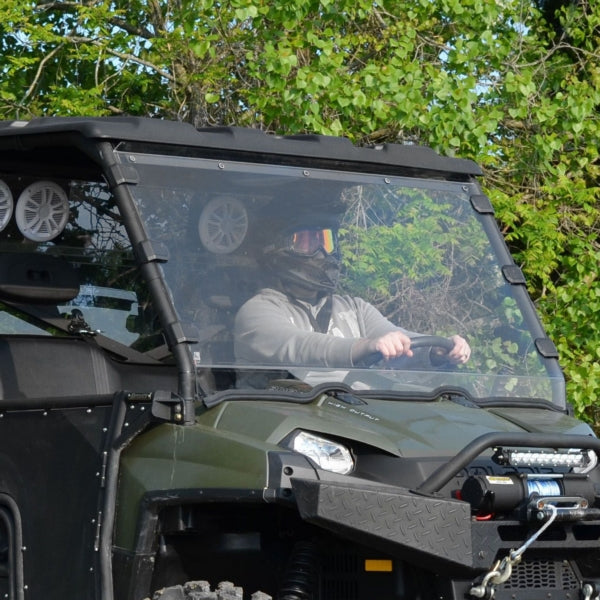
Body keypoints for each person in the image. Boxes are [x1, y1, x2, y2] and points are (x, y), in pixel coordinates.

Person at [233, 223, 471, 371]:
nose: (320, 252)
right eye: (307, 242)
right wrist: (365, 346)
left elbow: (396, 338)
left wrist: (437, 349)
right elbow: (299, 347)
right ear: (279, 248)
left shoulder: (353, 308)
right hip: (278, 416)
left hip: (347, 414)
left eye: (325, 241)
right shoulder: (257, 312)